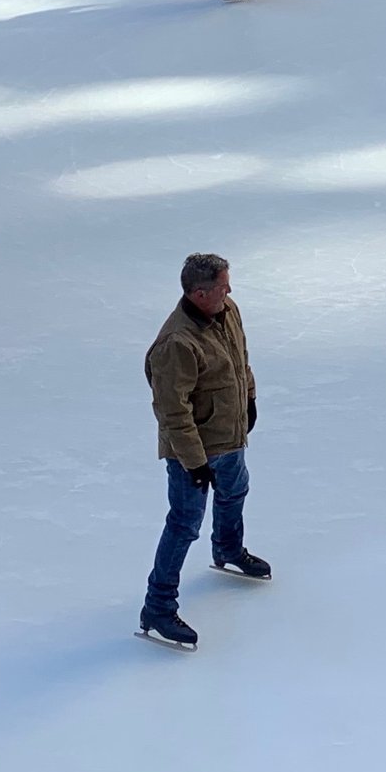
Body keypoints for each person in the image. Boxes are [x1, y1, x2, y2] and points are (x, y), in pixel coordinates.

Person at [139, 252, 268, 650]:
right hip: (190, 450)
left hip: (228, 436)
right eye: (222, 287)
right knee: (184, 523)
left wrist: (248, 397)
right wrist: (194, 464)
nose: (229, 292)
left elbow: (239, 358)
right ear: (198, 293)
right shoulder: (176, 344)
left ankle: (228, 548)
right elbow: (172, 412)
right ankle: (158, 606)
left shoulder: (227, 311)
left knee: (235, 490)